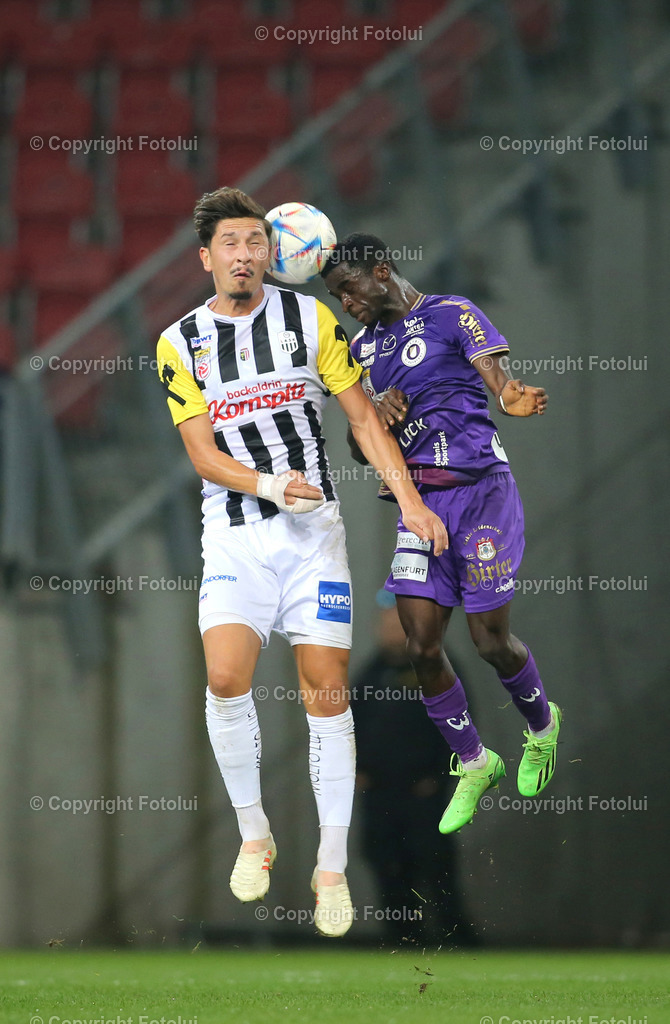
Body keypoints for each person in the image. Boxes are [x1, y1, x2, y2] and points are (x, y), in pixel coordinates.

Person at [155, 191, 447, 938]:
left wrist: (410, 500)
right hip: (235, 532)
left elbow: (361, 417)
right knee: (225, 677)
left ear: (274, 252)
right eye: (231, 243)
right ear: (207, 258)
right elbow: (200, 451)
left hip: (313, 537)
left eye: (256, 241)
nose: (245, 254)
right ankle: (256, 834)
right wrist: (266, 484)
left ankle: (329, 867)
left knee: (326, 696)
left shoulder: (309, 320)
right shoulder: (178, 342)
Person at [321, 233, 562, 836]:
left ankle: (542, 725)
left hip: (482, 493)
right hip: (420, 504)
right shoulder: (363, 351)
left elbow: (499, 383)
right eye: (336, 295)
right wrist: (375, 417)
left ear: (381, 271)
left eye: (349, 289)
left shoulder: (452, 314)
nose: (346, 302)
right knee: (420, 646)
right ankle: (477, 762)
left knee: (489, 643)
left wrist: (515, 397)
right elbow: (360, 443)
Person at [351, 590, 475, 946]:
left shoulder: (436, 668)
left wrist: (439, 778)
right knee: (386, 863)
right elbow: (348, 726)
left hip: (424, 796)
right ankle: (404, 940)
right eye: (386, 620)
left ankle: (457, 939)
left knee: (434, 866)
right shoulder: (370, 674)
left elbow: (462, 728)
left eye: (399, 620)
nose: (391, 628)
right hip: (379, 794)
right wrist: (356, 769)